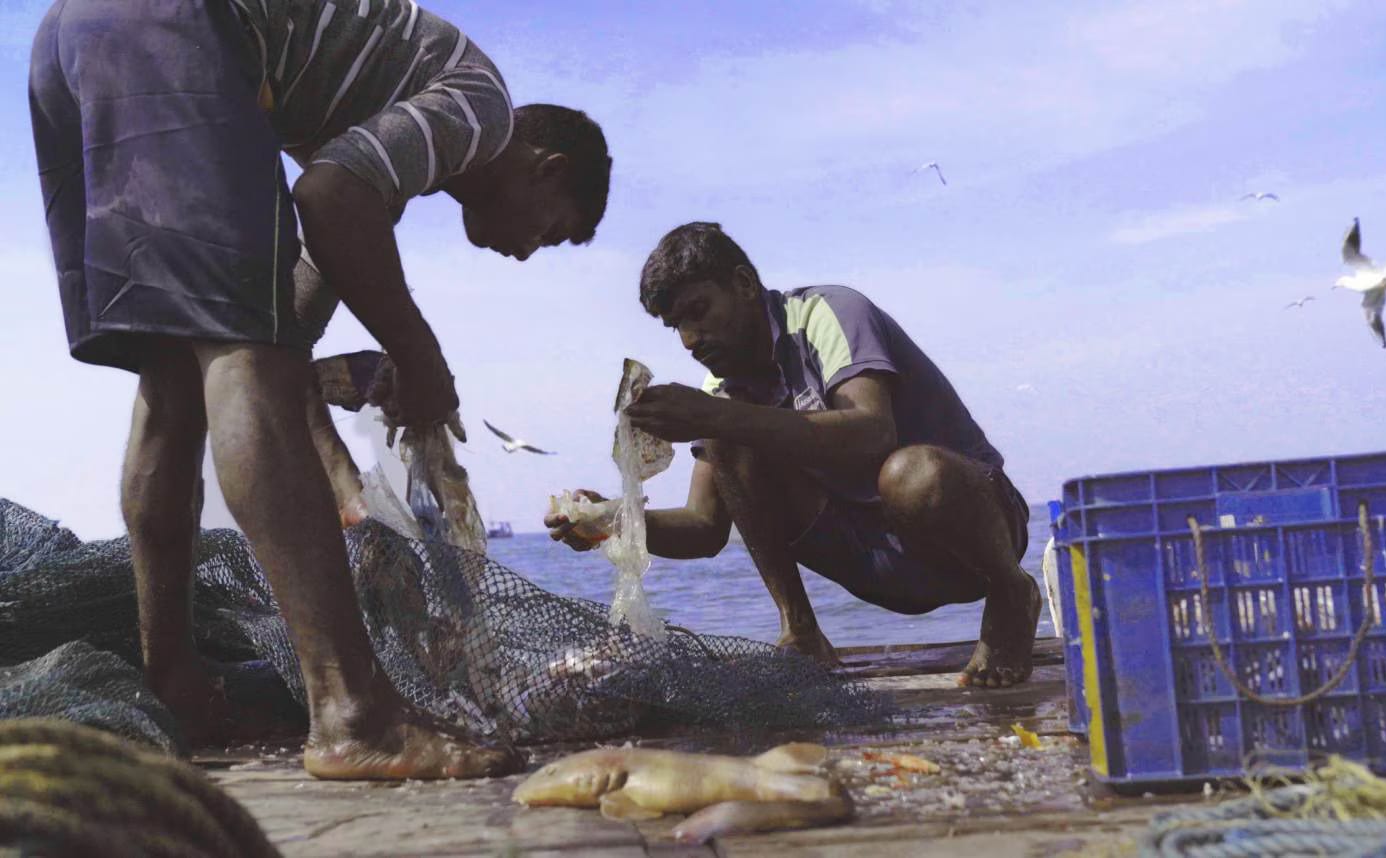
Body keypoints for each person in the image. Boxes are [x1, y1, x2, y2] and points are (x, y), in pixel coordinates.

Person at [29, 0, 610, 778]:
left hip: (70, 36)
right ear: (550, 170)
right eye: (555, 229)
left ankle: (177, 685)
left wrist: (363, 372)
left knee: (176, 379)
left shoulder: (393, 143)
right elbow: (326, 206)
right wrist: (422, 357)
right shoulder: (483, 108)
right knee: (238, 356)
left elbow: (286, 315)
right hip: (179, 26)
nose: (533, 250)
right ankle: (352, 715)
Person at [547, 223, 1039, 688]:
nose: (690, 340)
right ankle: (800, 630)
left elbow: (872, 431)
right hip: (876, 562)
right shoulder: (721, 389)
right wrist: (612, 518)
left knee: (911, 474)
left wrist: (713, 417)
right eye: (676, 326)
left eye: (698, 312)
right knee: (730, 435)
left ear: (742, 284)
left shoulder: (830, 313)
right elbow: (704, 527)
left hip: (972, 538)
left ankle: (1012, 593)